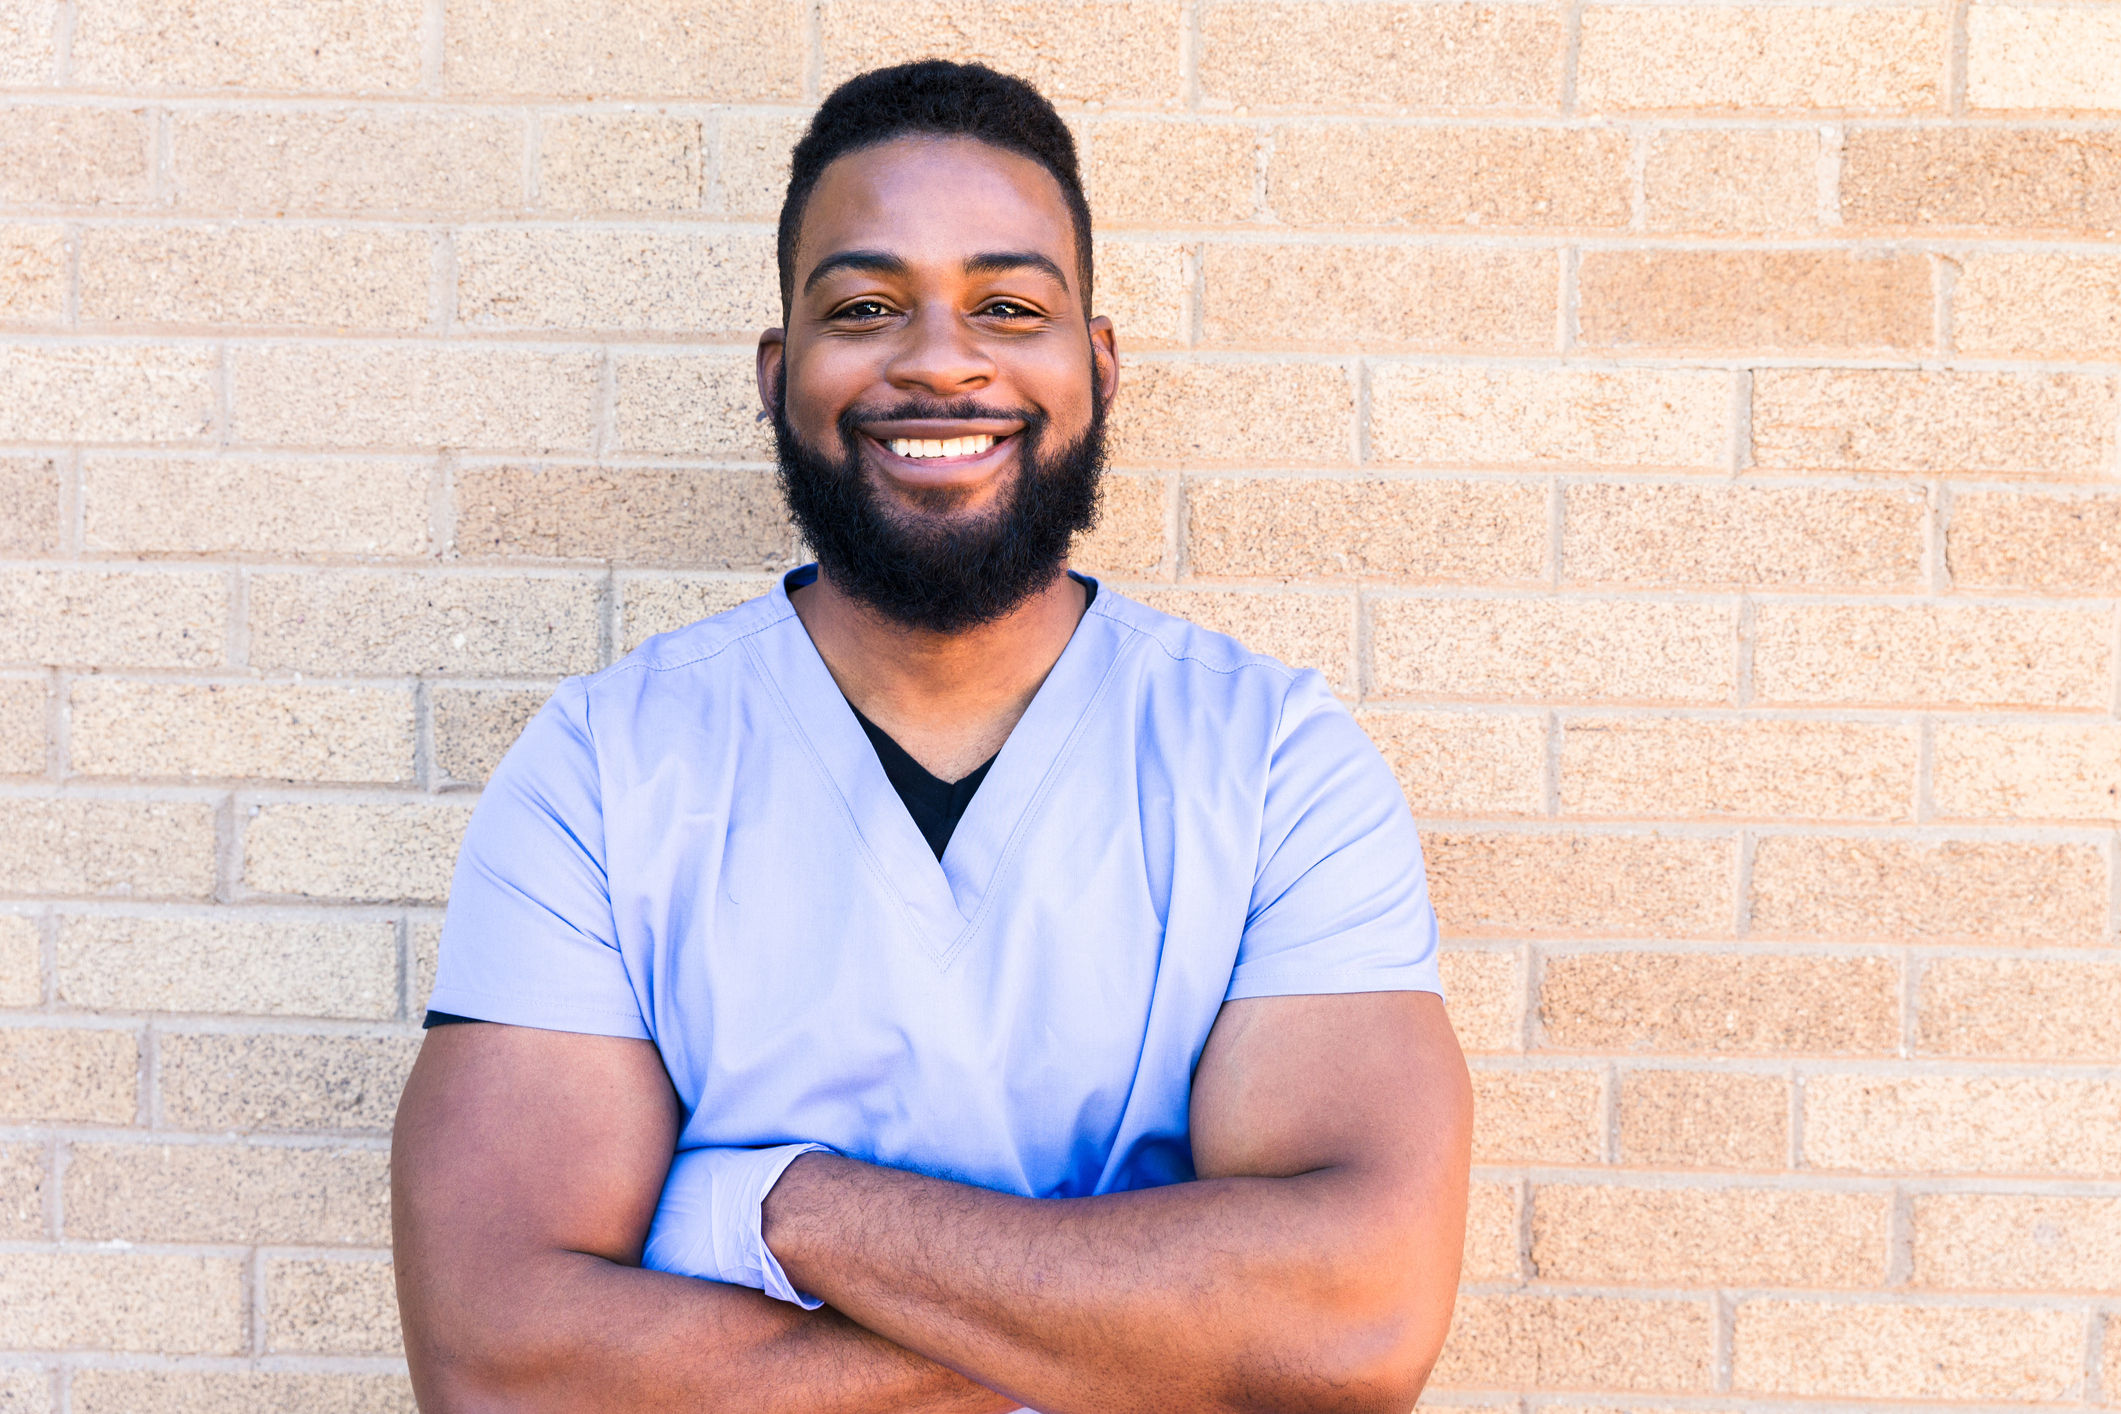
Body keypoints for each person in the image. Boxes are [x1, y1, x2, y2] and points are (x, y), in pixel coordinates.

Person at [392, 59, 1472, 1414]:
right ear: (781, 375)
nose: (940, 360)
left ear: (1099, 363)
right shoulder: (608, 769)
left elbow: (1349, 1325)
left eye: (1008, 305)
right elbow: (504, 1365)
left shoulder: (1267, 762)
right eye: (866, 307)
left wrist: (777, 1204)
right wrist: (1138, 1332)